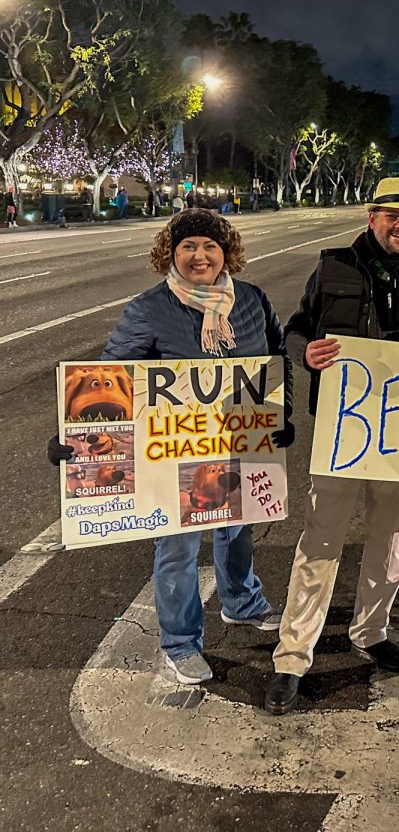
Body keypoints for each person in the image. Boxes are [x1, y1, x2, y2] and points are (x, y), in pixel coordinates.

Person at [48, 209, 294, 685]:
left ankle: (241, 602)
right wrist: (71, 435)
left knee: (238, 530)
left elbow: (276, 357)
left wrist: (281, 414)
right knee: (178, 548)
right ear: (171, 252)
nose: (199, 255)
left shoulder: (251, 301)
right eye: (188, 247)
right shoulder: (150, 308)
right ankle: (180, 642)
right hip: (177, 450)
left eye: (209, 246)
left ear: (226, 253)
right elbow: (113, 377)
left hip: (237, 438)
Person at [264, 177, 399, 715]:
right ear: (371, 217)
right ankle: (292, 656)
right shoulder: (333, 267)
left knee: (388, 539)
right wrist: (307, 354)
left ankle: (372, 631)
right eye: (391, 216)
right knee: (320, 539)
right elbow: (295, 330)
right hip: (344, 432)